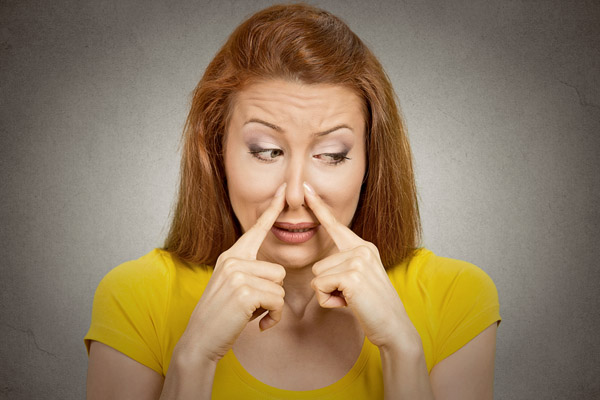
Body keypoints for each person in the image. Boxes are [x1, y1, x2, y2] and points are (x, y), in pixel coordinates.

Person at [85, 3, 502, 399]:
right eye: (266, 151)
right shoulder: (136, 297)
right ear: (217, 153)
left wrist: (402, 350)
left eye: (332, 155)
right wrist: (193, 358)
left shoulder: (456, 297)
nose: (294, 194)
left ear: (370, 161)